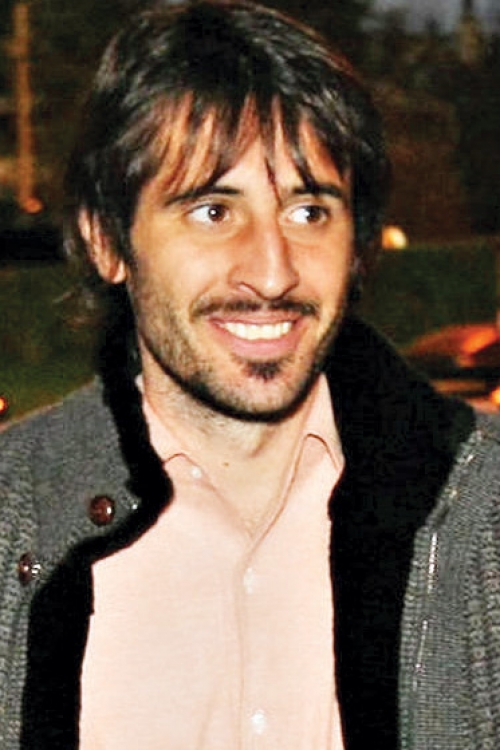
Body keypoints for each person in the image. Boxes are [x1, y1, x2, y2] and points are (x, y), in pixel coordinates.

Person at [1, 1, 500, 748]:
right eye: (212, 211)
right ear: (107, 242)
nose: (272, 272)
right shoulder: (13, 516)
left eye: (308, 211)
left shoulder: (483, 512)